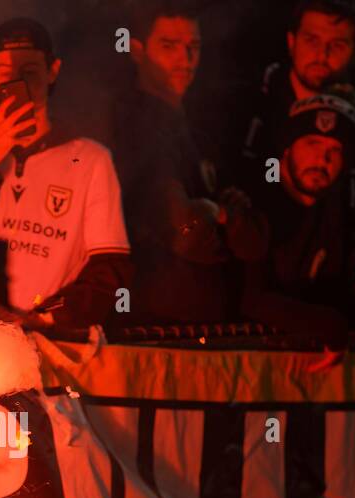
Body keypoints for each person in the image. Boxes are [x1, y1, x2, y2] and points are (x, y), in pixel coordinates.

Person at [0, 17, 132, 333]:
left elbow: (109, 271)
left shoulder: (89, 159)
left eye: (31, 73)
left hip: (51, 339)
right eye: (8, 75)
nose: (20, 85)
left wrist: (45, 317)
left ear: (53, 71)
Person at [111, 1, 268, 326]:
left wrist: (222, 213)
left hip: (200, 316)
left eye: (193, 46)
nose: (185, 59)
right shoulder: (134, 126)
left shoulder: (195, 128)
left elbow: (250, 237)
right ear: (137, 50)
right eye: (168, 46)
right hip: (157, 322)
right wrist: (217, 214)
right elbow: (188, 232)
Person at [247, 90, 355, 378]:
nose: (321, 159)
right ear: (287, 149)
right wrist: (331, 327)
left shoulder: (335, 211)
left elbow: (344, 285)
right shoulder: (257, 205)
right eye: (312, 143)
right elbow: (252, 299)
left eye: (334, 150)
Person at [234, 1, 355, 186]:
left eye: (337, 45)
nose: (322, 55)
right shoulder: (250, 103)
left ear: (354, 53)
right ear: (291, 42)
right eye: (312, 41)